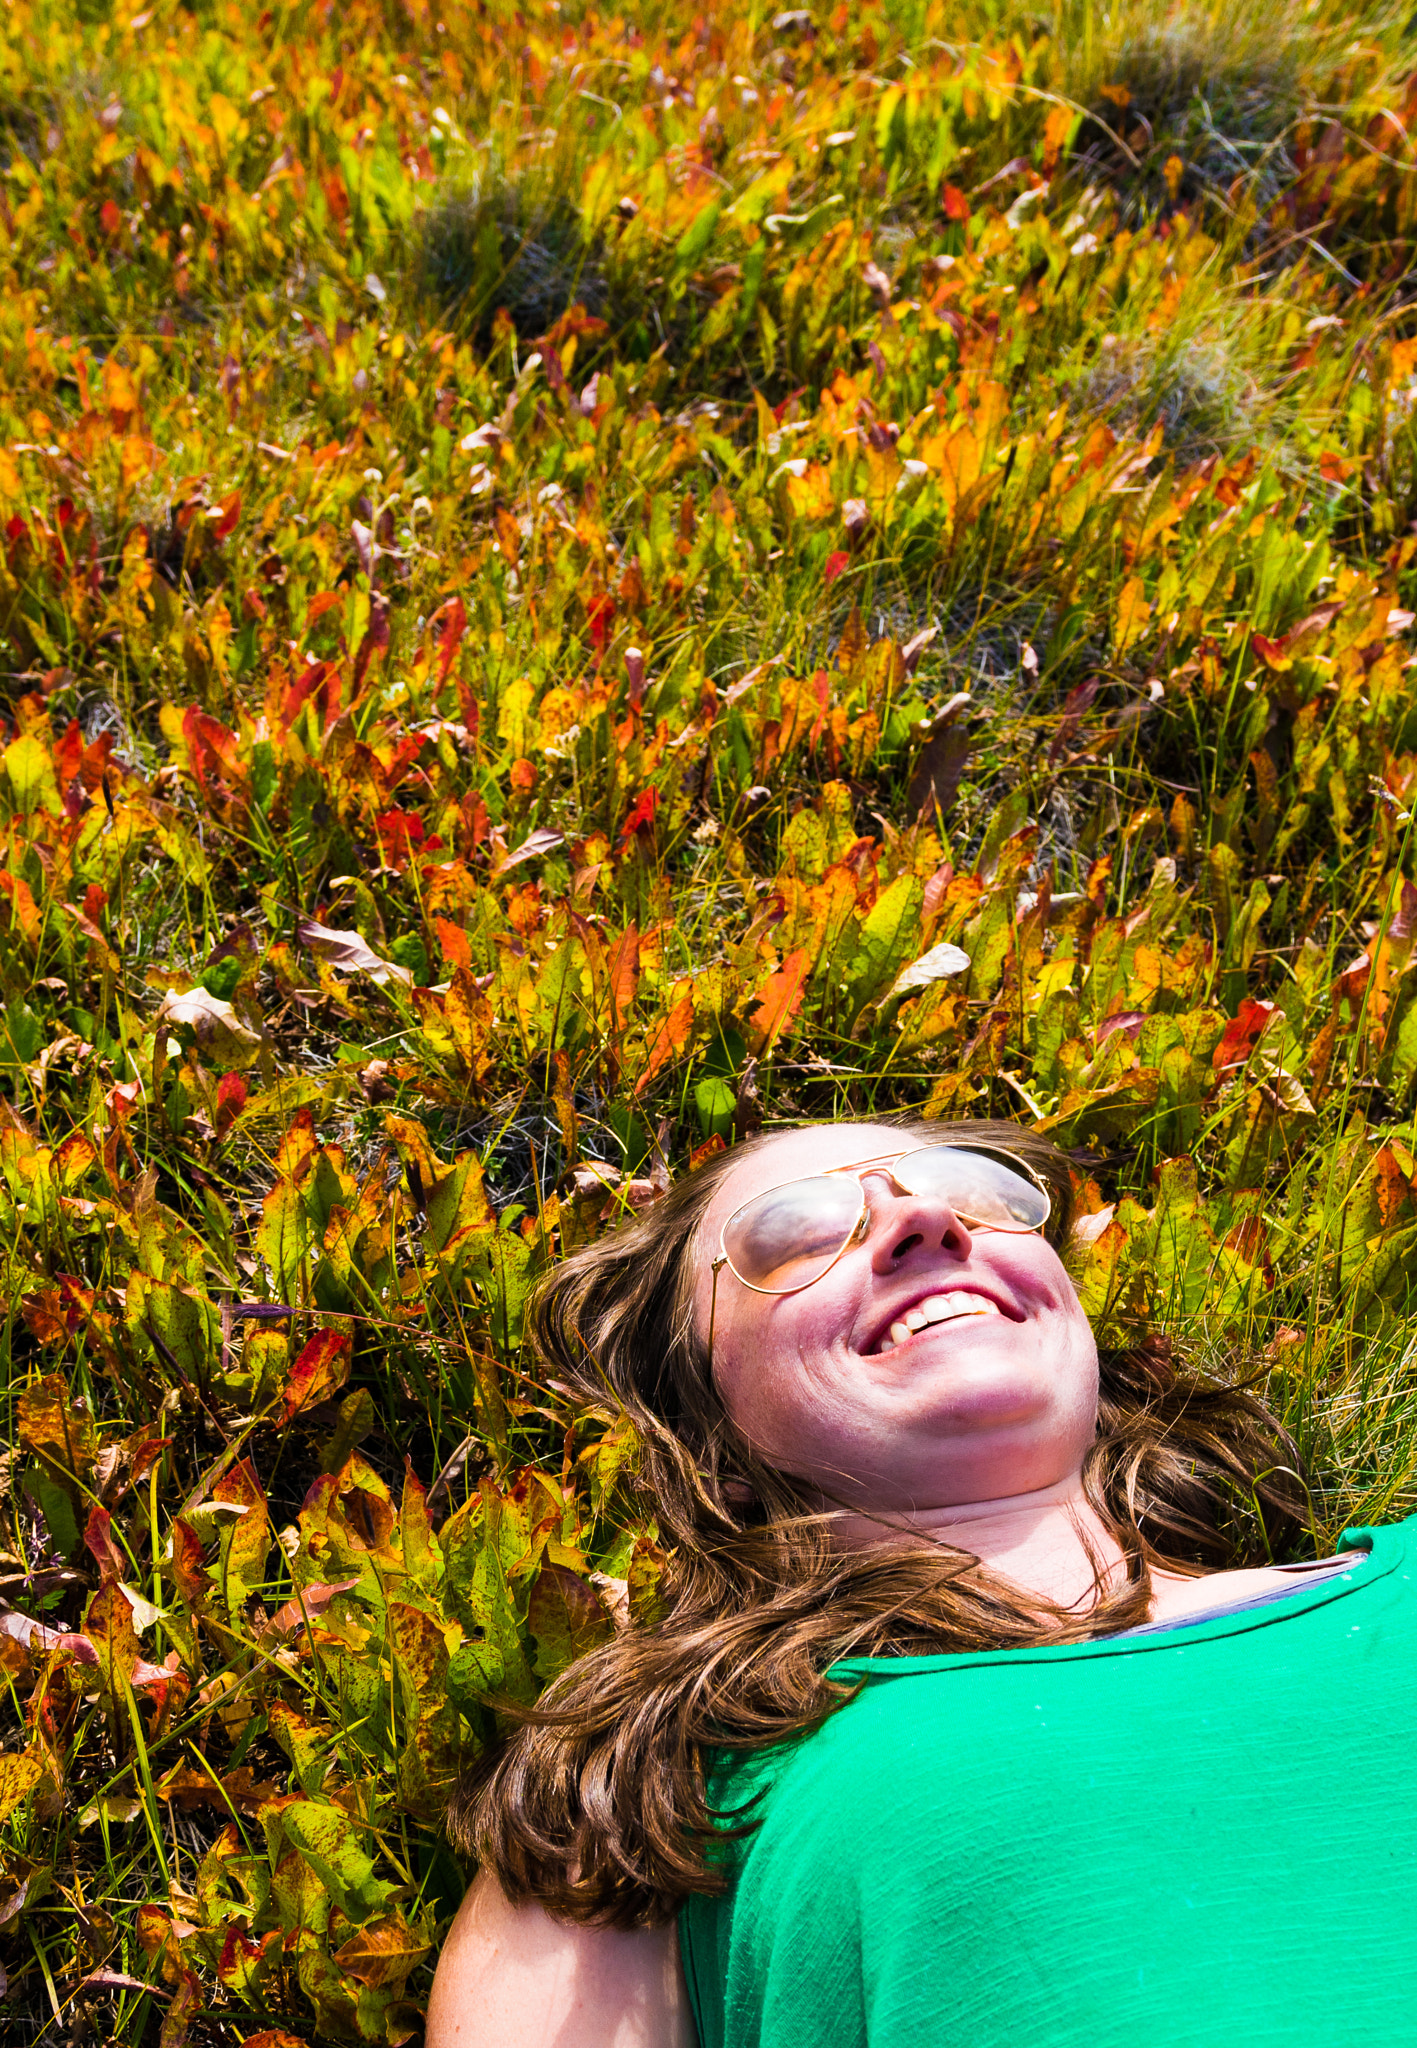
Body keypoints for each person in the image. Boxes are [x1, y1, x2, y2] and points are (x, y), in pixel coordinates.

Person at [425, 1116, 1417, 2048]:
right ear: (709, 1434)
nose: (924, 1218)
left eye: (977, 1193)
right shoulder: (645, 1792)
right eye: (799, 1230)